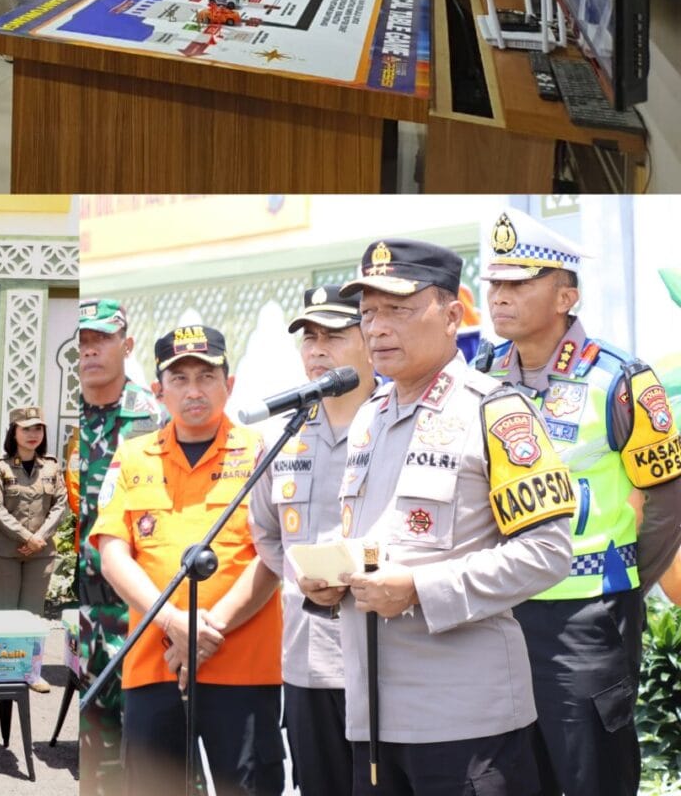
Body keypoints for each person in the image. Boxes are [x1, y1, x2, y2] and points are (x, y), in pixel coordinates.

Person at [303, 238, 575, 795]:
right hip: (372, 719)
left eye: (398, 309)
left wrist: (421, 588)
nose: (377, 327)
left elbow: (549, 553)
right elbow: (372, 536)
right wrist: (324, 578)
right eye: (368, 311)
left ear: (453, 315)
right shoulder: (370, 418)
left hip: (466, 723)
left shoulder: (494, 410)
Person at [477, 208, 681, 796]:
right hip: (502, 611)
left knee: (593, 775)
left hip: (586, 615)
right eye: (495, 282)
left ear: (566, 294)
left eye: (521, 281)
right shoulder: (482, 377)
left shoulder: (619, 379)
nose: (501, 295)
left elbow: (666, 503)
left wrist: (625, 584)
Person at [92, 324, 285, 796]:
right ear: (158, 390)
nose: (194, 390)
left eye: (206, 376)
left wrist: (201, 633)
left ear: (230, 384)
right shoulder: (132, 456)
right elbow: (113, 553)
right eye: (179, 379)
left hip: (243, 666)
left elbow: (273, 555)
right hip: (153, 665)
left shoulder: (263, 453)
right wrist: (175, 623)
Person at [248, 285, 376, 796]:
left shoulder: (397, 418)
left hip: (385, 658)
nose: (318, 350)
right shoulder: (282, 434)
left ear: (370, 340)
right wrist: (307, 577)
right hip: (307, 660)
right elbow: (266, 534)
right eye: (310, 338)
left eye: (334, 337)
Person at [76, 299, 167, 796]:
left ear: (126, 345)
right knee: (94, 725)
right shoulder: (80, 414)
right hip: (89, 598)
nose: (91, 352)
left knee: (142, 728)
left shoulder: (149, 417)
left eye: (102, 341)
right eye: (84, 344)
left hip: (135, 598)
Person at [0, 405, 67, 691]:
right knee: (5, 611)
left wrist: (39, 538)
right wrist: (25, 537)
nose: (33, 434)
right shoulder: (0, 468)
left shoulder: (52, 467)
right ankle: (3, 667)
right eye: (26, 428)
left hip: (41, 553)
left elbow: (60, 505)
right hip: (6, 552)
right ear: (14, 432)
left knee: (33, 614)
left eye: (38, 428)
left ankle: (31, 671)